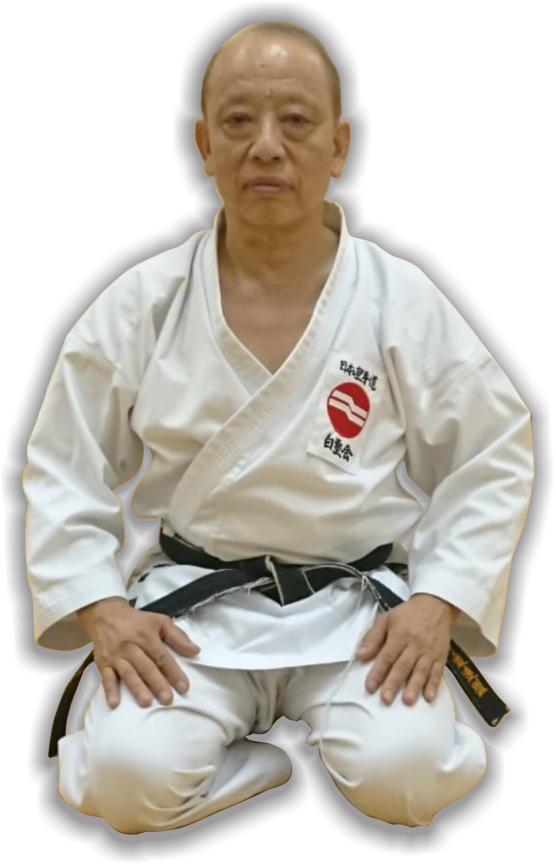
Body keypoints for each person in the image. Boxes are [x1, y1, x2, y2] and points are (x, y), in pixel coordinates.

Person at [22, 21, 533, 832]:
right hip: (192, 613)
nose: (266, 146)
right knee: (123, 784)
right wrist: (100, 607)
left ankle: (325, 747)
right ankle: (274, 771)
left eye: (295, 120)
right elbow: (61, 461)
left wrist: (438, 600)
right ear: (203, 144)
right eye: (238, 121)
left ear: (339, 146)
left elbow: (494, 451)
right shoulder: (144, 300)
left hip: (357, 615)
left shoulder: (398, 295)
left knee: (408, 782)